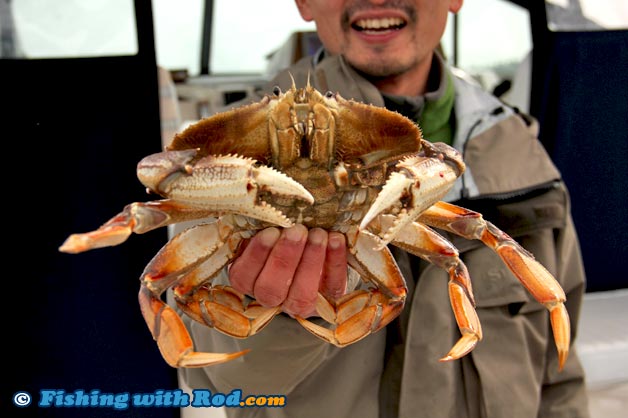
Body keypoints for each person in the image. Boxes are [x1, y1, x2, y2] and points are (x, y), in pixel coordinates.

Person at [168, 1, 591, 417]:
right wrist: (280, 314)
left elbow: (559, 367)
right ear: (304, 3)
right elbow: (227, 386)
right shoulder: (223, 159)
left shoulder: (522, 157)